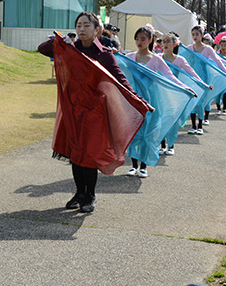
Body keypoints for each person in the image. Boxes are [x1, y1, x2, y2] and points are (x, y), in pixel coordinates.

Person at [38, 12, 152, 213]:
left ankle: (90, 195)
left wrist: (138, 101)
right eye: (78, 25)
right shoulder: (70, 50)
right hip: (72, 110)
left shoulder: (104, 54)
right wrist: (60, 41)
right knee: (75, 154)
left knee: (89, 154)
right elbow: (43, 49)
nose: (82, 29)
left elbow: (120, 81)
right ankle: (79, 192)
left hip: (94, 112)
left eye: (86, 26)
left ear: (97, 30)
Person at [125, 26, 193, 177]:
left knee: (148, 133)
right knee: (134, 132)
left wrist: (186, 88)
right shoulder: (128, 57)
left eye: (143, 39)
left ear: (150, 40)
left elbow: (170, 77)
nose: (139, 42)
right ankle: (133, 165)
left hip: (151, 101)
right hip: (134, 101)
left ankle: (144, 166)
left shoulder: (157, 59)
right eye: (137, 38)